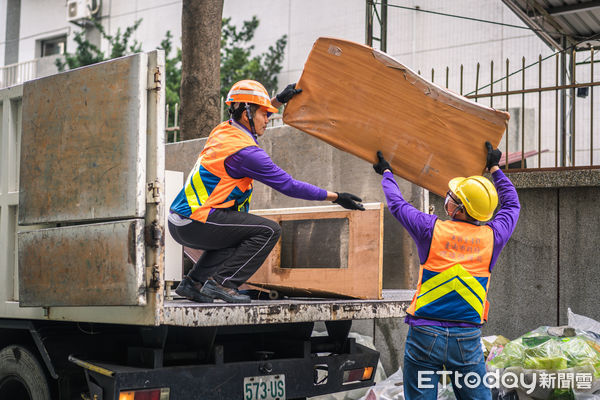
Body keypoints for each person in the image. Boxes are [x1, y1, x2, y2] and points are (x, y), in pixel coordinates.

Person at [169, 79, 364, 304]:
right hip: (196, 221)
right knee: (268, 231)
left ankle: (192, 284)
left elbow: (247, 109)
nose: (268, 119)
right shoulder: (246, 153)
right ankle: (224, 283)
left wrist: (277, 101)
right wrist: (337, 197)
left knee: (236, 235)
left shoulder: (224, 130)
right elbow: (289, 186)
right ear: (247, 116)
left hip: (180, 220)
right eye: (265, 114)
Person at [372, 142, 520, 400]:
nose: (447, 198)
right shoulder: (493, 237)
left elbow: (396, 205)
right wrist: (495, 168)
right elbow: (512, 205)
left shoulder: (431, 229)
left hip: (424, 335)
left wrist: (387, 173)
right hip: (467, 337)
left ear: (459, 208)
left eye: (452, 196)